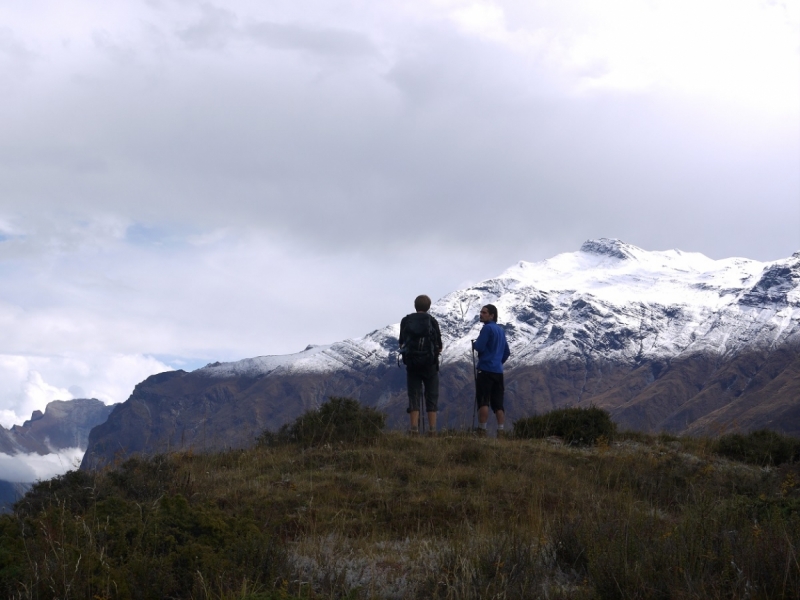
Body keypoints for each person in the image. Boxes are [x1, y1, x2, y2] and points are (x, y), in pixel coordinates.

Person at [399, 294, 442, 435]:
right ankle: (432, 430)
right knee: (431, 395)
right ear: (428, 307)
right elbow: (439, 345)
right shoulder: (432, 321)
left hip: (412, 365)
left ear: (415, 305)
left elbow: (401, 343)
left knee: (414, 395)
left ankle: (414, 429)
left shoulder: (406, 321)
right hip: (430, 365)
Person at [472, 303, 510, 437]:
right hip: (498, 371)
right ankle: (501, 431)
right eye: (481, 312)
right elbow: (506, 352)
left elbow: (480, 347)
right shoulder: (501, 331)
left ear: (492, 315)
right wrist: (499, 362)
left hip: (485, 369)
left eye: (484, 312)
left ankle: (482, 430)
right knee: (498, 403)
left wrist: (475, 344)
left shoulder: (487, 329)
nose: (481, 314)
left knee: (483, 400)